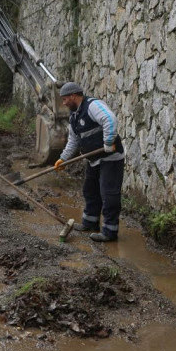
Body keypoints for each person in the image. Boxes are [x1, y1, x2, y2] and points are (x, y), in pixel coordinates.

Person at [54, 82, 125, 242]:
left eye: (65, 99)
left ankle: (109, 231)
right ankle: (90, 222)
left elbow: (110, 119)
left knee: (109, 194)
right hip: (93, 160)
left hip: (110, 158)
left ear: (73, 96)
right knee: (90, 190)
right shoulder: (74, 116)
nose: (64, 103)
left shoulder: (93, 106)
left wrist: (108, 142)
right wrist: (63, 158)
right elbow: (73, 140)